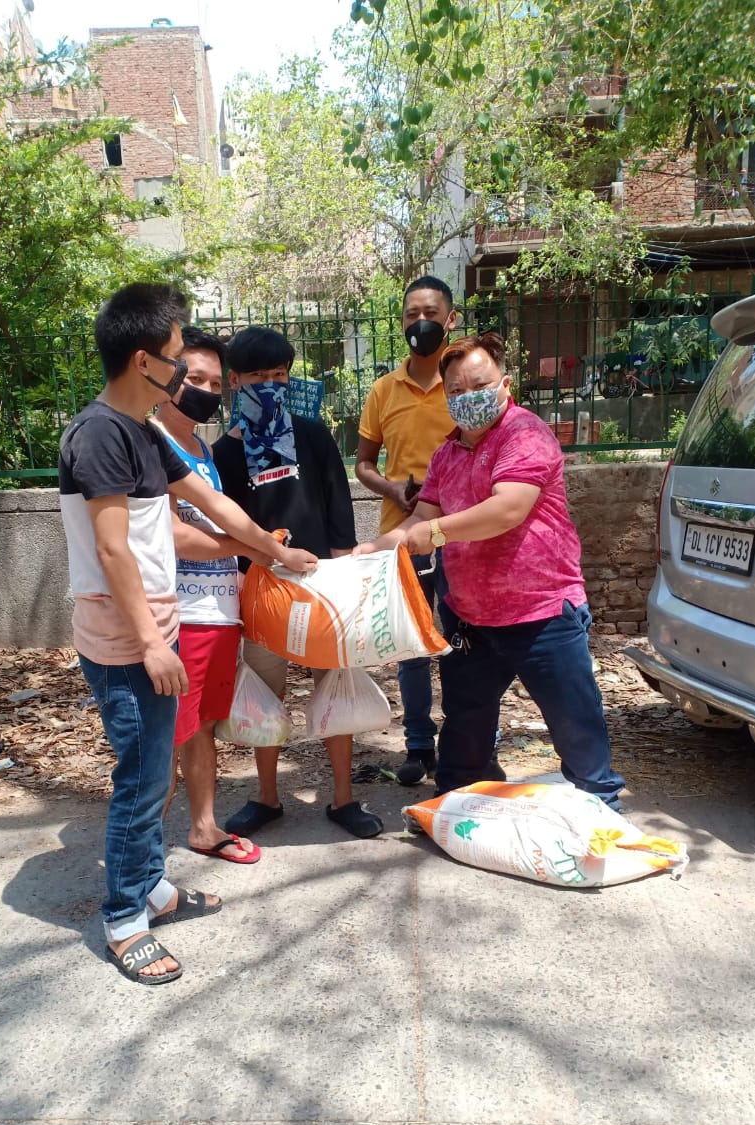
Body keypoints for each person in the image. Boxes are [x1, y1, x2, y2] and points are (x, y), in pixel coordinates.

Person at [58, 286, 316, 986]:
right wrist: (150, 643)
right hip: (124, 640)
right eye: (177, 357)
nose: (184, 372)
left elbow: (215, 504)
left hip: (157, 627)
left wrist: (273, 551)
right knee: (142, 782)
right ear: (144, 360)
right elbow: (112, 549)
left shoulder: (145, 432)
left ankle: (153, 889)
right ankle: (124, 920)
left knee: (152, 776)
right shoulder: (99, 434)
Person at [356, 331, 625, 811]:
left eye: (479, 386)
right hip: (471, 617)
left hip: (541, 611)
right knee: (465, 723)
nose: (468, 398)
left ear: (504, 384)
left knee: (573, 721)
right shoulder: (446, 454)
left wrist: (436, 532)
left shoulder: (524, 434)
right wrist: (371, 550)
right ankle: (451, 806)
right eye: (456, 391)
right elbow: (420, 519)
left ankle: (602, 808)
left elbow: (507, 509)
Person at [212, 325, 385, 840]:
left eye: (278, 373)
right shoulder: (223, 454)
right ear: (234, 380)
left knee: (336, 687)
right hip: (261, 591)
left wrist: (345, 577)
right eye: (256, 375)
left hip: (323, 586)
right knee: (265, 696)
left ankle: (343, 798)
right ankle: (266, 797)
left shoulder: (312, 435)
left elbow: (338, 505)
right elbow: (228, 530)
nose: (269, 384)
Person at [154, 326, 264, 865]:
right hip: (183, 616)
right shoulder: (152, 441)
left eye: (216, 383)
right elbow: (172, 534)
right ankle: (143, 862)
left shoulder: (200, 447)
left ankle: (203, 827)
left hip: (218, 611)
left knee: (199, 729)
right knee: (164, 739)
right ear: (165, 374)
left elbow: (211, 523)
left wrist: (241, 568)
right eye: (194, 378)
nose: (206, 391)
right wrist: (250, 546)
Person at [355, 276, 458, 786]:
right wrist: (393, 489)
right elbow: (363, 464)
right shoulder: (383, 390)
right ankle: (418, 746)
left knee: (463, 642)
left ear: (451, 320)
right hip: (403, 536)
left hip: (462, 536)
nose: (421, 323)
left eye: (431, 314)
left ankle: (466, 742)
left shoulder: (466, 385)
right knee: (411, 646)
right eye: (412, 314)